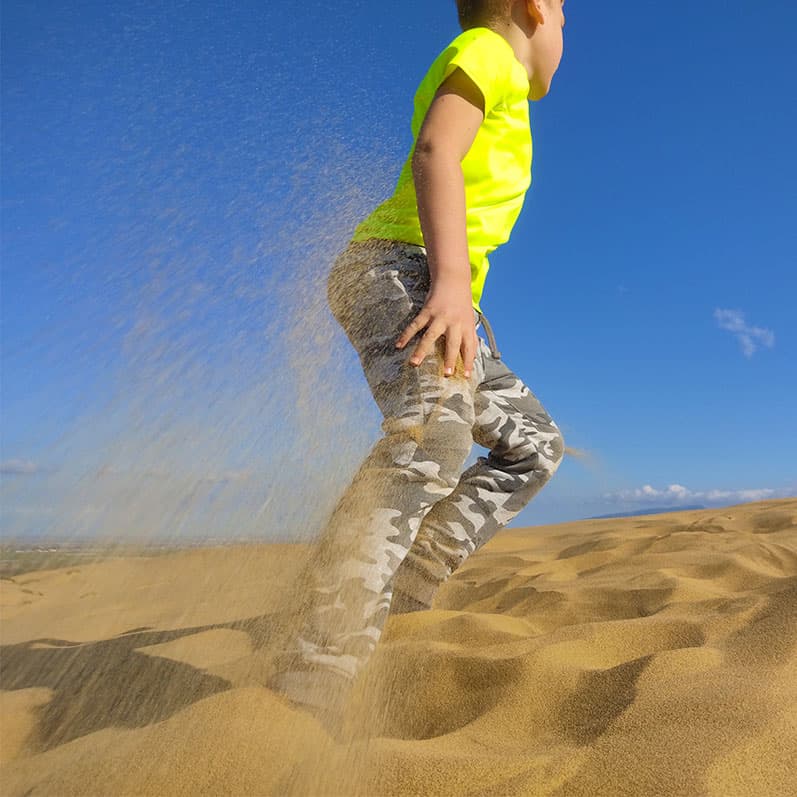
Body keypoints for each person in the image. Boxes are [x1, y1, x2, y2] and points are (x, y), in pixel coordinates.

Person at [269, 0, 567, 719]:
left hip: (434, 289)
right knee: (432, 433)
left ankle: (404, 581)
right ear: (534, 8)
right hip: (396, 271)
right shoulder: (486, 51)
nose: (565, 35)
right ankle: (309, 675)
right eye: (564, 15)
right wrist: (453, 284)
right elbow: (435, 151)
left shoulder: (497, 74)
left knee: (533, 447)